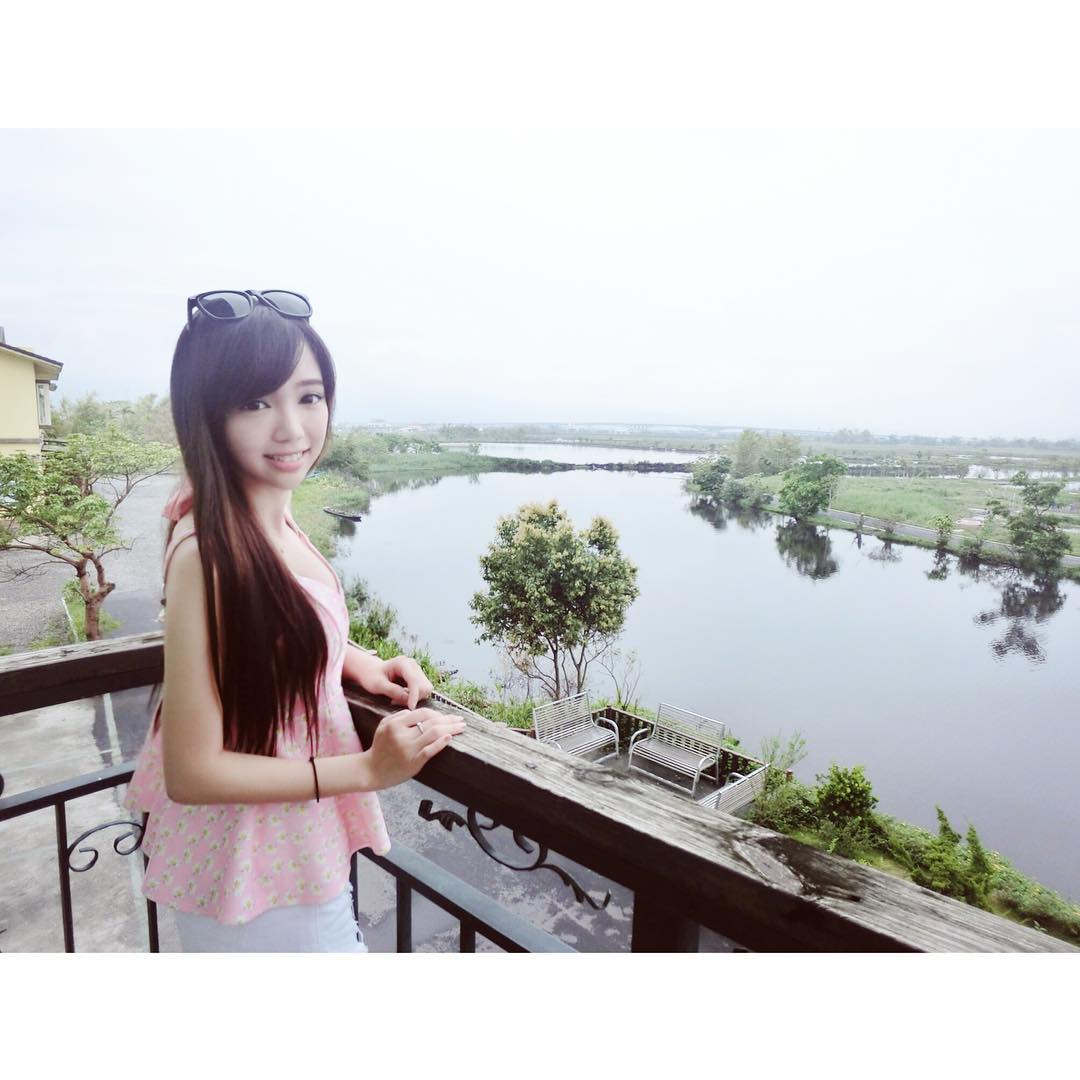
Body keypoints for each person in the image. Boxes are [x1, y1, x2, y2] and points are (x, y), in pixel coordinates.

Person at [124, 290, 466, 952]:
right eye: (255, 403)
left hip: (281, 855)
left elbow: (277, 620)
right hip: (254, 871)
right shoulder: (210, 552)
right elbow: (192, 771)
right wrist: (368, 770)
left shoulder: (262, 509)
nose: (292, 428)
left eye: (309, 397)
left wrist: (356, 661)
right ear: (208, 414)